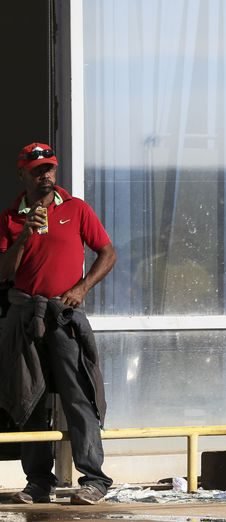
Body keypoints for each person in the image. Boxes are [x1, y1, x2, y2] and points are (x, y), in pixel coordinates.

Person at [0, 142, 117, 504]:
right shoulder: (9, 218)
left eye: (49, 168)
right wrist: (23, 237)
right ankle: (38, 481)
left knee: (77, 395)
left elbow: (108, 252)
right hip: (25, 317)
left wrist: (82, 288)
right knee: (29, 397)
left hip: (63, 316)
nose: (45, 174)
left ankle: (94, 479)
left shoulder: (76, 209)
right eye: (37, 170)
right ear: (22, 173)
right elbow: (5, 273)